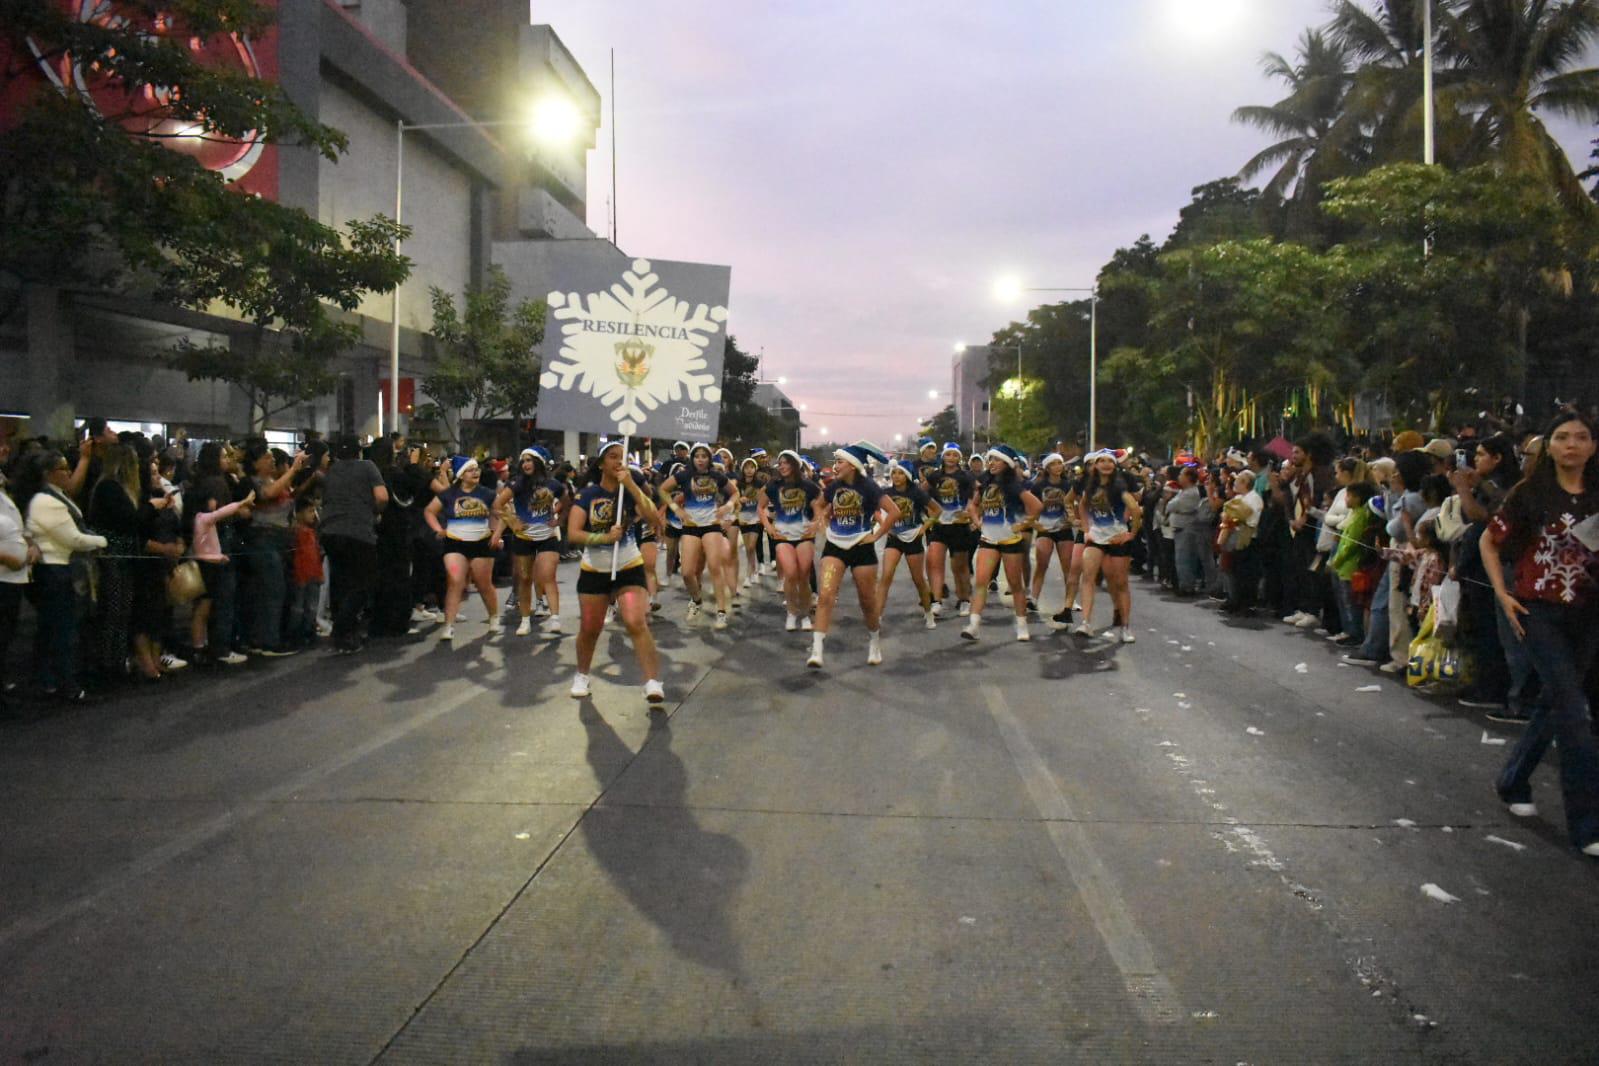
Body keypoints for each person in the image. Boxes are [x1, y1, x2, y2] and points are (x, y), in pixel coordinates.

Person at [1480, 410, 1599, 858]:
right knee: (1573, 712)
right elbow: (1489, 541)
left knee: (1555, 704)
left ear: (1593, 446)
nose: (1572, 444)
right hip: (1539, 611)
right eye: (1562, 436)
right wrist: (1501, 593)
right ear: (1548, 445)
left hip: (1588, 613)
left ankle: (1513, 779)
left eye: (1581, 437)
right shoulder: (1529, 494)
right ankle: (1587, 824)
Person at [567, 440, 665, 703]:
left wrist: (631, 484)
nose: (618, 461)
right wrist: (603, 539)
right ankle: (582, 675)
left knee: (635, 620)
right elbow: (573, 533)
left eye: (622, 457)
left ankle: (652, 681)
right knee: (590, 627)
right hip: (594, 569)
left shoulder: (630, 492)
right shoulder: (587, 495)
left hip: (628, 565)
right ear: (601, 463)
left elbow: (654, 518)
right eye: (612, 456)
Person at [19, 450, 107, 702]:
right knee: (62, 631)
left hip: (58, 570)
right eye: (63, 469)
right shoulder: (46, 501)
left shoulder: (56, 497)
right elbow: (72, 538)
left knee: (53, 630)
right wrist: (102, 541)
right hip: (55, 571)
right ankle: (65, 683)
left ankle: (51, 679)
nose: (68, 473)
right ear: (48, 474)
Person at [808, 442, 898, 668]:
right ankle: (817, 650)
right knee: (826, 594)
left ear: (853, 465)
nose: (835, 466)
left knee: (867, 602)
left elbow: (894, 512)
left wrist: (876, 536)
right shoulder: (833, 486)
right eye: (835, 461)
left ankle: (874, 641)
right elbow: (818, 504)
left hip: (861, 547)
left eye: (839, 461)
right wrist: (822, 520)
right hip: (835, 547)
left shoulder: (869, 487)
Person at [962, 445, 1042, 642]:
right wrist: (977, 521)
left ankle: (1022, 624)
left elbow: (1037, 506)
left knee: (1015, 584)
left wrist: (1024, 525)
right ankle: (974, 625)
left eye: (996, 460)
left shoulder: (1014, 485)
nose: (992, 463)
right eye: (990, 460)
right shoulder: (986, 483)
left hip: (1010, 540)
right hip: (988, 539)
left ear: (1006, 463)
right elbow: (973, 505)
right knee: (980, 581)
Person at [318, 436, 389, 653]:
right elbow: (382, 496)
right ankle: (342, 629)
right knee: (365, 581)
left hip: (330, 531)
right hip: (358, 531)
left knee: (341, 581)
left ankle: (345, 636)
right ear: (359, 452)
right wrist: (374, 512)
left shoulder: (331, 471)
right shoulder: (367, 467)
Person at [658, 443, 739, 630]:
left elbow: (735, 493)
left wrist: (727, 507)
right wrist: (676, 508)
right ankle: (696, 599)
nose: (701, 459)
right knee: (687, 573)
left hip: (711, 526)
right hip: (690, 527)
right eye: (697, 456)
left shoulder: (717, 476)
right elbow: (663, 490)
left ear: (709, 459)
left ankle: (721, 612)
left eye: (704, 456)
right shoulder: (684, 475)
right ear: (692, 458)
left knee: (714, 567)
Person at [425, 456, 500, 645]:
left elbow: (505, 513)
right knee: (455, 580)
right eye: (470, 470)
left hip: (481, 544)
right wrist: (438, 530)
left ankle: (493, 617)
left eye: (477, 469)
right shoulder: (449, 494)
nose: (476, 473)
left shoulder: (488, 493)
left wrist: (496, 534)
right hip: (455, 544)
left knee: (484, 584)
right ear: (461, 475)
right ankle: (449, 625)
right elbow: (429, 511)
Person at [495, 446, 568, 636]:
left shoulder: (553, 484)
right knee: (525, 579)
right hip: (524, 538)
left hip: (547, 537)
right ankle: (525, 620)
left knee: (547, 576)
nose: (526, 464)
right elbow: (497, 505)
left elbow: (567, 502)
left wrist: (559, 519)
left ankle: (555, 619)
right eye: (523, 461)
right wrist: (513, 522)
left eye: (529, 460)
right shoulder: (516, 485)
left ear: (538, 463)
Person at [1075, 450, 1143, 642]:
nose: (1105, 464)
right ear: (1095, 465)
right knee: (1088, 577)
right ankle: (1086, 622)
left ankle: (1125, 627)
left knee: (1120, 583)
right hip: (1096, 539)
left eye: (1109, 461)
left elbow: (1135, 510)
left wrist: (1131, 534)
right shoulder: (1090, 487)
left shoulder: (1119, 487)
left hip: (1116, 539)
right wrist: (1086, 528)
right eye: (1101, 461)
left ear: (1114, 465)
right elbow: (1081, 506)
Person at [876, 460, 941, 629]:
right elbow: (874, 509)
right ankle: (877, 616)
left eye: (900, 473)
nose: (896, 476)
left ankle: (928, 614)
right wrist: (884, 524)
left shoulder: (917, 493)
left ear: (907, 475)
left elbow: (937, 510)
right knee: (886, 576)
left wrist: (924, 528)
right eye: (894, 473)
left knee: (918, 579)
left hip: (913, 537)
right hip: (894, 538)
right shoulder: (886, 492)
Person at [761, 449, 822, 632]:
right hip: (783, 536)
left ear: (795, 465)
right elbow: (761, 507)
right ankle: (791, 612)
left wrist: (816, 523)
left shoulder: (808, 486)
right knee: (791, 572)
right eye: (780, 463)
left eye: (787, 462)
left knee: (803, 575)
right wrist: (768, 526)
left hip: (804, 536)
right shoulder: (773, 485)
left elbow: (820, 506)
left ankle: (804, 614)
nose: (783, 466)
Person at [0, 465, 38, 714]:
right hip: (5, 575)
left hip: (14, 579)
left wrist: (30, 546)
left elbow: (20, 527)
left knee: (6, 635)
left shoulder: (6, 498)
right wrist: (10, 558)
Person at [924, 442, 975, 617]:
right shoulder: (934, 476)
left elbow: (975, 496)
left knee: (959, 567)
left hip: (959, 527)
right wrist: (930, 514)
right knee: (935, 563)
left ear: (959, 458)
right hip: (939, 527)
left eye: (955, 455)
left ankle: (964, 599)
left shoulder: (965, 477)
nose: (951, 458)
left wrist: (969, 512)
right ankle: (937, 600)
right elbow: (923, 494)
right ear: (943, 457)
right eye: (948, 455)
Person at [1028, 454, 1075, 616]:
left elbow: (1074, 505)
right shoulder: (1038, 486)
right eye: (1054, 464)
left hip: (1064, 529)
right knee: (1042, 564)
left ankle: (1070, 601)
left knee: (1067, 567)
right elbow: (1030, 507)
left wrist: (1073, 519)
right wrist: (1034, 524)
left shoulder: (1068, 485)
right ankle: (1033, 598)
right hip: (1045, 529)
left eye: (1060, 463)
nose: (1057, 466)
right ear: (1047, 468)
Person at [734, 458, 766, 592]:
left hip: (756, 518)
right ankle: (754, 570)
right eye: (746, 467)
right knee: (748, 549)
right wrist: (739, 500)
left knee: (752, 545)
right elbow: (733, 498)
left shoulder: (760, 484)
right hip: (743, 518)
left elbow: (764, 500)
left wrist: (755, 498)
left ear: (755, 469)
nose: (749, 470)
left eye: (752, 467)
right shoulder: (738, 483)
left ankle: (748, 576)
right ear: (743, 469)